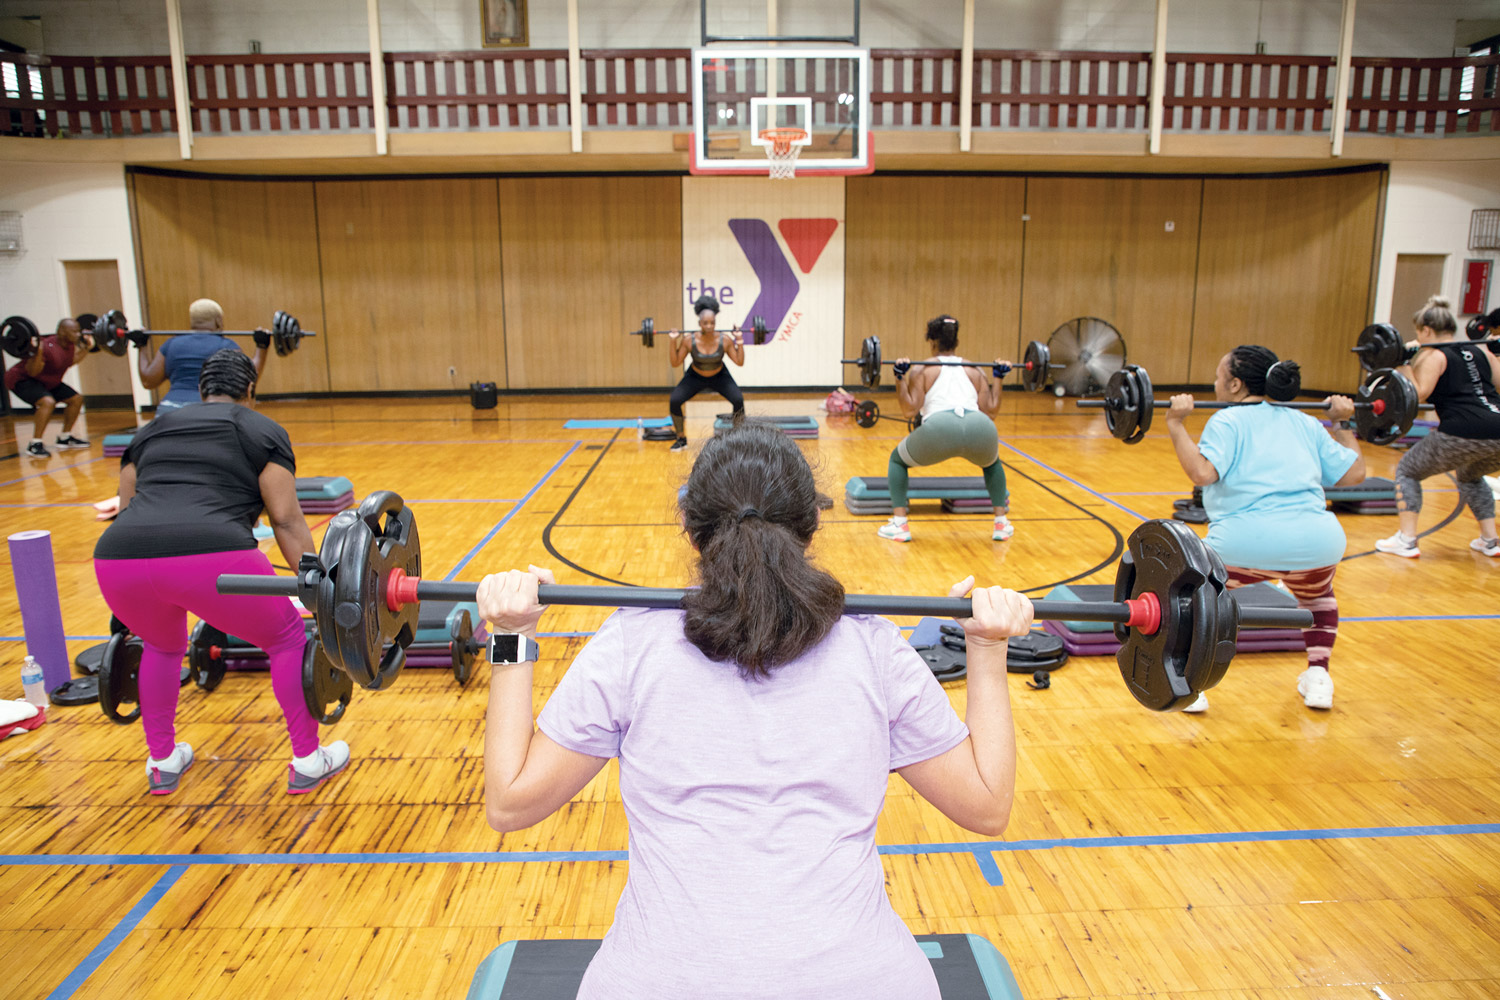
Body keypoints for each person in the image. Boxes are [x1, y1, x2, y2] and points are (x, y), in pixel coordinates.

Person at [475, 422, 1033, 1000]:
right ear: (810, 527)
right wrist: (987, 648)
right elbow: (986, 807)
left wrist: (513, 634)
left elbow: (511, 802)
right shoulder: (874, 648)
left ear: (692, 530)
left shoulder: (630, 645)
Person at [93, 349, 348, 795]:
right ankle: (308, 761)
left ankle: (162, 762)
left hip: (118, 557)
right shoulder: (261, 429)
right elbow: (286, 519)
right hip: (212, 555)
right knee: (287, 638)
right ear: (250, 389)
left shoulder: (149, 431)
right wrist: (317, 584)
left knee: (161, 645)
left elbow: (128, 504)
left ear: (201, 388)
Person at [1164, 346, 1365, 712]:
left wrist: (1176, 423)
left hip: (1245, 545)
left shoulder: (1227, 421)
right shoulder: (1305, 421)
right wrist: (1344, 424)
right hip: (1316, 544)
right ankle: (1319, 677)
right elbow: (1354, 474)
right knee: (1318, 599)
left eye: (1218, 376)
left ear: (1236, 385)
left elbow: (1202, 473)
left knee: (1194, 599)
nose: (1214, 382)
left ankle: (1190, 682)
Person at [1375, 296, 1500, 558]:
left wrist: (1404, 362)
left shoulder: (1434, 355)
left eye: (1418, 332)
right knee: (1469, 475)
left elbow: (1419, 394)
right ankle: (1490, 541)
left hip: (1462, 429)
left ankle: (1407, 540)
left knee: (1408, 470)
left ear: (1426, 330)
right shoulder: (1483, 351)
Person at [879, 315, 1013, 543]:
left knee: (897, 460)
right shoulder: (975, 370)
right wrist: (998, 378)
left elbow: (909, 410)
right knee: (992, 463)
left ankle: (900, 524)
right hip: (979, 427)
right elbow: (990, 411)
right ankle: (1001, 523)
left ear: (932, 342)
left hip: (940, 429)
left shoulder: (924, 369)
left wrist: (899, 377)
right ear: (956, 342)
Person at [136, 298, 268, 411]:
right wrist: (262, 347)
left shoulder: (171, 344)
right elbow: (250, 377)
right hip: (208, 411)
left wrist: (141, 346)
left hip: (169, 410)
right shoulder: (226, 346)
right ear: (219, 321)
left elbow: (148, 381)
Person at [4, 317, 95, 458]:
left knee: (76, 399)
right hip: (22, 379)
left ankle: (65, 438)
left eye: (78, 331)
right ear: (62, 331)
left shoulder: (69, 345)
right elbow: (33, 372)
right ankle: (35, 444)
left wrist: (87, 348)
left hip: (47, 380)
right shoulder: (46, 346)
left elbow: (69, 361)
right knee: (47, 402)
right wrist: (38, 353)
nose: (78, 334)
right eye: (74, 331)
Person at [664, 294, 745, 452]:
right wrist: (673, 341)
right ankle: (681, 439)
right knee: (675, 400)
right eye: (706, 323)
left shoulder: (725, 340)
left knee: (738, 400)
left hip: (720, 375)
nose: (709, 326)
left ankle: (738, 438)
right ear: (699, 323)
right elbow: (675, 362)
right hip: (695, 376)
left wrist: (739, 340)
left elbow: (739, 362)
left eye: (712, 323)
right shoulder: (689, 340)